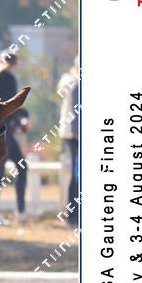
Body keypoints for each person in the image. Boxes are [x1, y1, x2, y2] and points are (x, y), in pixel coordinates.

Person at [0, 51, 29, 224]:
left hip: (0, 129)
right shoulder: (9, 77)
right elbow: (11, 104)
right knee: (4, 170)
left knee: (10, 168)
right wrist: (23, 118)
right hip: (6, 131)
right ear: (15, 62)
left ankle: (13, 210)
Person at [58, 56, 79, 225]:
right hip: (74, 135)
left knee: (76, 172)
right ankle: (73, 213)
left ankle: (74, 212)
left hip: (72, 134)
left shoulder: (69, 80)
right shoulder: (71, 80)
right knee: (77, 173)